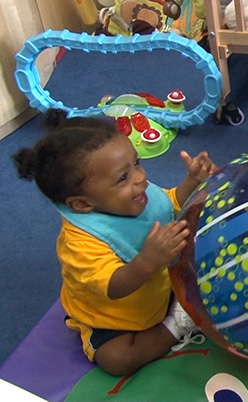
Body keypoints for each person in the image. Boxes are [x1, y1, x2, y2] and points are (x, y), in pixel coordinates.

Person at [12, 109, 218, 377]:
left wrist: (191, 183)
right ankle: (177, 324)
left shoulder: (132, 194)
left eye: (137, 162)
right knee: (117, 359)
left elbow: (168, 205)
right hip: (114, 316)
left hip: (157, 287)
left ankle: (178, 303)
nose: (140, 177)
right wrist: (148, 261)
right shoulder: (78, 243)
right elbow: (113, 285)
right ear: (83, 204)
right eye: (123, 177)